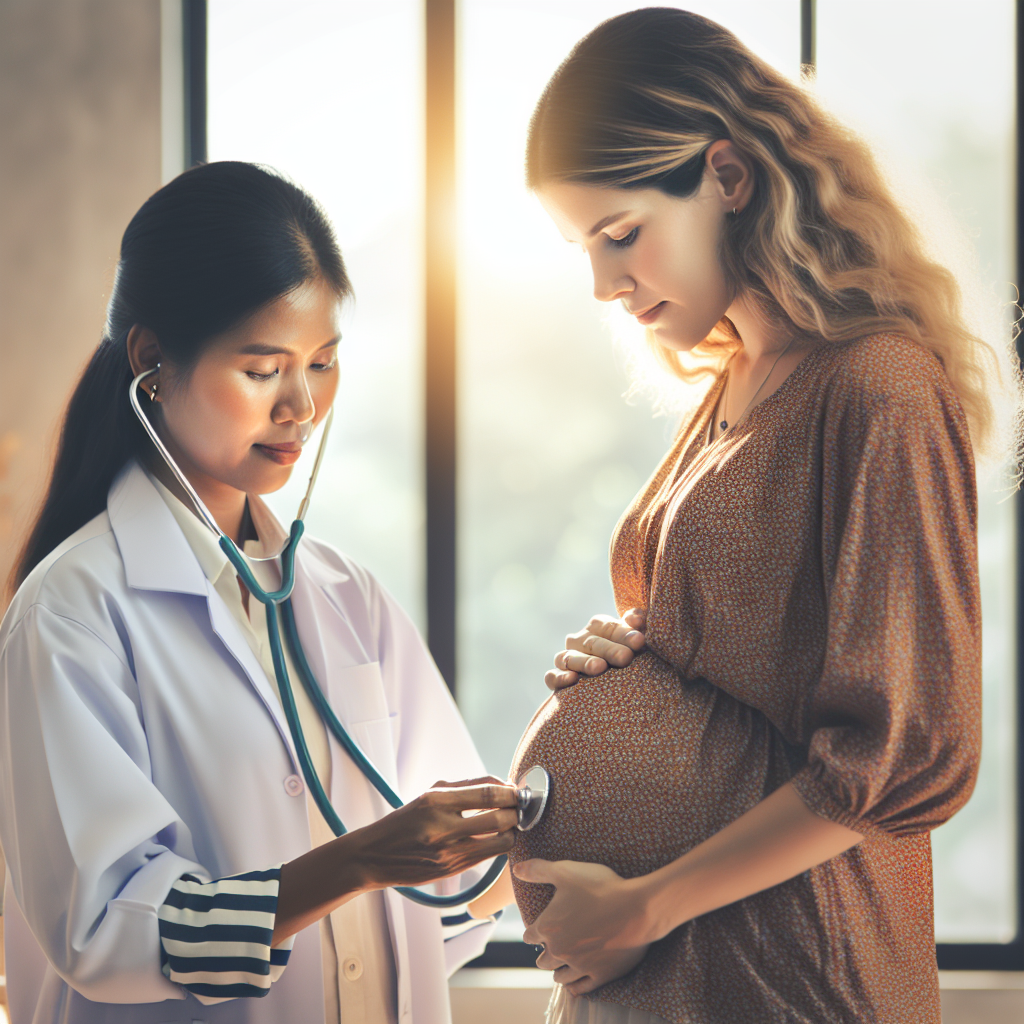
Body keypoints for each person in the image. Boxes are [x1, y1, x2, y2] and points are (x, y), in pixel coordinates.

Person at [499, 8, 1017, 1024]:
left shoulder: (878, 390)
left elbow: (900, 756)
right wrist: (644, 654)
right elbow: (746, 671)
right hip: (665, 965)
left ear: (727, 178)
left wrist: (646, 904)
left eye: (620, 235)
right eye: (580, 248)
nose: (604, 285)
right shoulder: (734, 379)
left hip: (790, 970)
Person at [0, 161, 517, 1024]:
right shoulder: (73, 612)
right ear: (153, 362)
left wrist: (577, 762)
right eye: (262, 368)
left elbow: (453, 896)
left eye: (322, 363)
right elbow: (103, 929)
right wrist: (358, 863)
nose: (303, 406)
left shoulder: (351, 598)